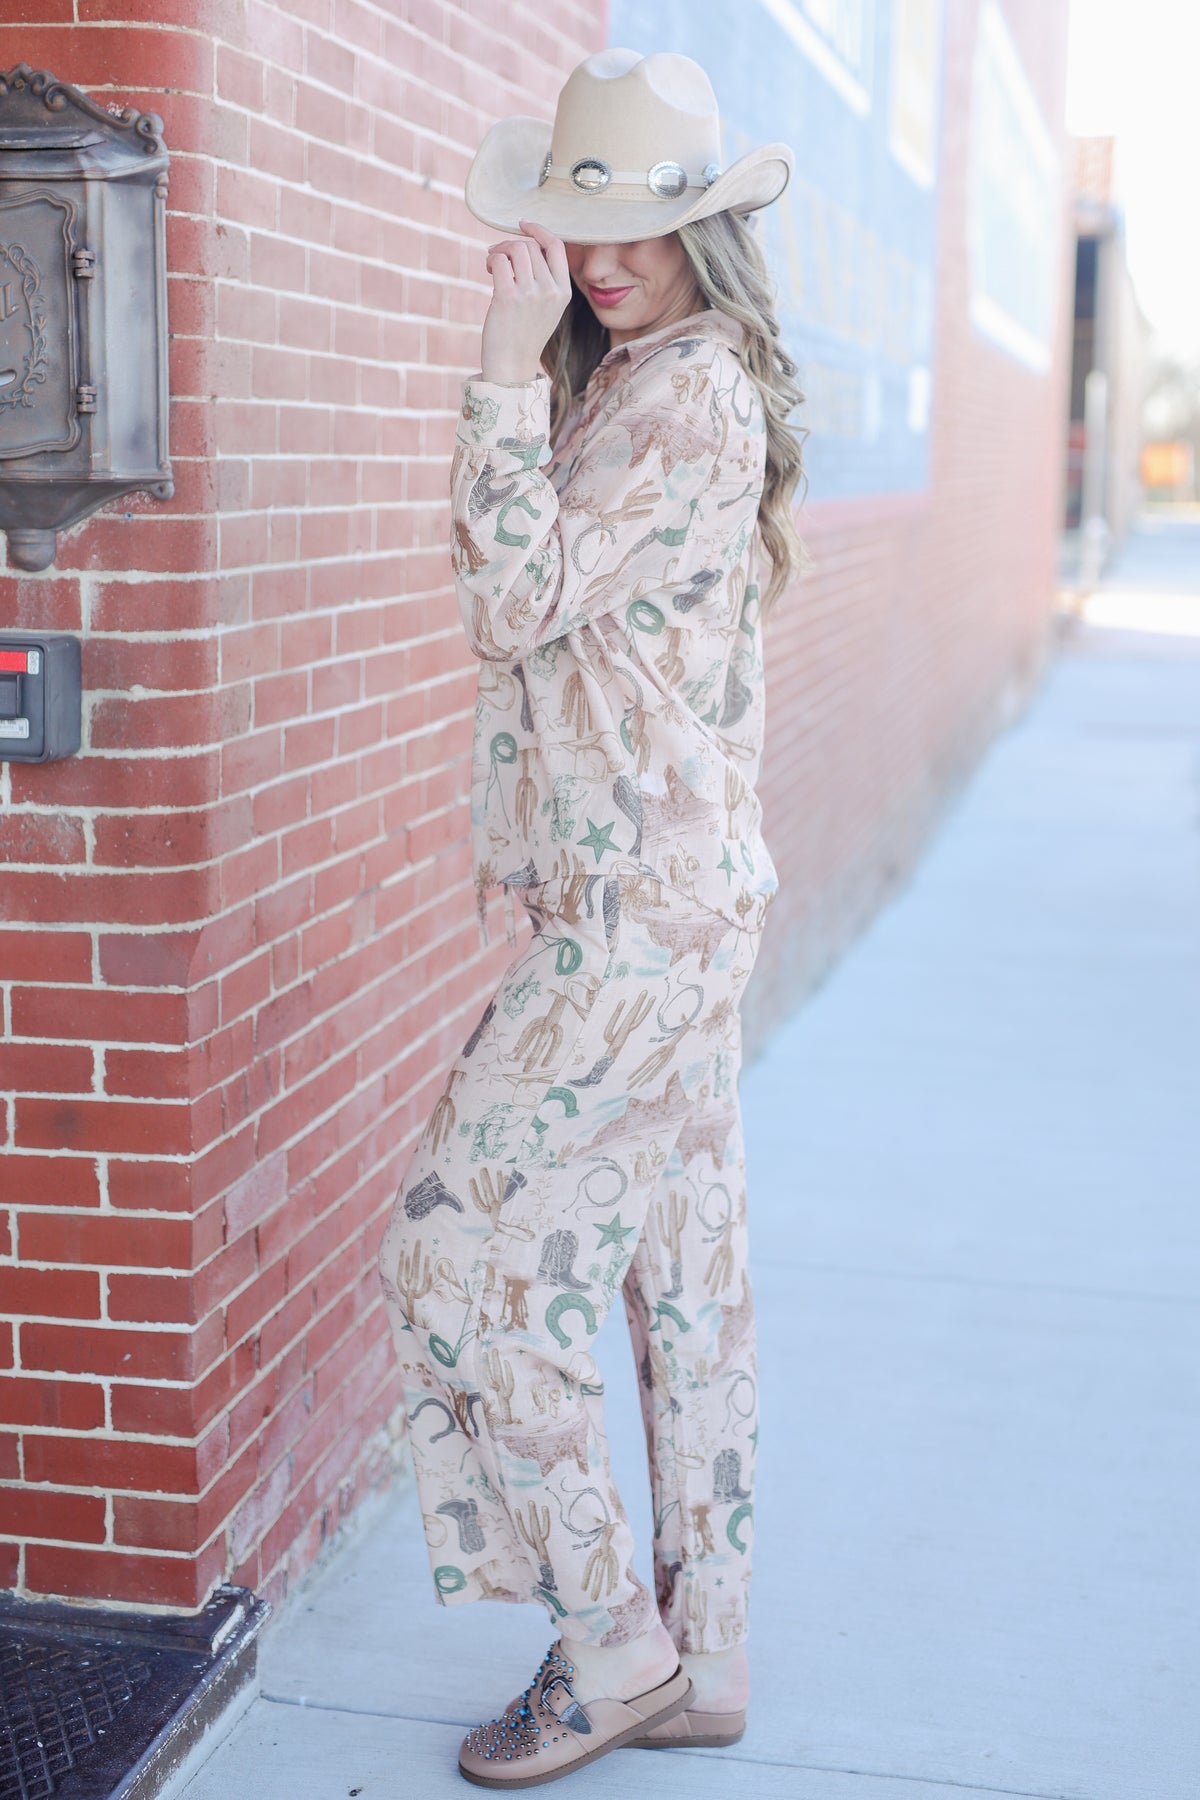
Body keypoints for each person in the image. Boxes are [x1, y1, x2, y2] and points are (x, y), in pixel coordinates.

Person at [377, 45, 805, 1790]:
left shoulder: (681, 399)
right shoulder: (657, 382)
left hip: (639, 921)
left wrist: (496, 370)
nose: (603, 260)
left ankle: (615, 1643)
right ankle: (707, 1651)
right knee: (682, 1276)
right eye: (580, 224)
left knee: (457, 1239)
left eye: (640, 228)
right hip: (676, 902)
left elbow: (518, 599)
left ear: (707, 231)